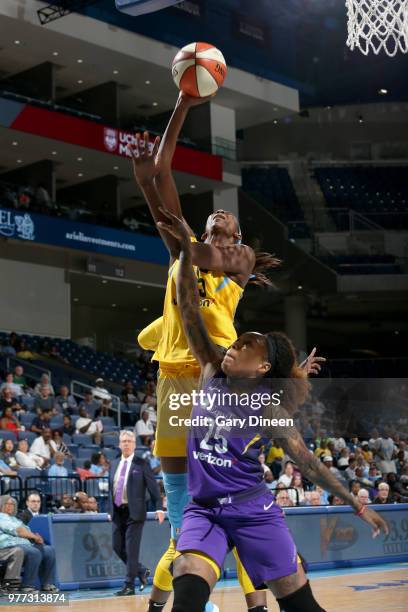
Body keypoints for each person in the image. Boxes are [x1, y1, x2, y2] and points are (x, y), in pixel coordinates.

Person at [160, 209, 388, 612]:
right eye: (232, 344)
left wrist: (359, 505)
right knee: (188, 587)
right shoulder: (211, 368)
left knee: (301, 604)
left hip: (253, 510)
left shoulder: (268, 411)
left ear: (263, 369)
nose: (231, 349)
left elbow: (312, 467)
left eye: (242, 348)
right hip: (204, 509)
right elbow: (187, 306)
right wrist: (183, 252)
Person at [132, 93, 295, 610]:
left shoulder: (238, 261)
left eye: (224, 223)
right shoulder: (184, 261)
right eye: (208, 222)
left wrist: (179, 230)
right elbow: (162, 173)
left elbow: (188, 236)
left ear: (238, 238)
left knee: (234, 502)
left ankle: (256, 601)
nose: (217, 216)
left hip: (216, 387)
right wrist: (181, 101)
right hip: (171, 382)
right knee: (186, 514)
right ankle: (186, 599)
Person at [109, 430, 165, 596]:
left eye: (129, 441)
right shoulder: (114, 463)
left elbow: (153, 488)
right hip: (118, 512)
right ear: (119, 444)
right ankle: (141, 571)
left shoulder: (142, 463)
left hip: (135, 513)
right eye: (123, 441)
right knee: (117, 546)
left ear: (134, 444)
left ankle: (129, 585)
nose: (126, 443)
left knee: (131, 549)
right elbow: (111, 488)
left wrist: (159, 508)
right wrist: (109, 510)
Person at [0, 495, 58, 592]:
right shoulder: (1, 517)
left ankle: (47, 583)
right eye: (7, 504)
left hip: (24, 544)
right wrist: (34, 537)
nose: (10, 506)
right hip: (7, 546)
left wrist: (36, 538)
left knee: (49, 550)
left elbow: (26, 531)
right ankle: (27, 585)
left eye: (12, 504)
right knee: (33, 552)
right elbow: (18, 531)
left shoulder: (15, 519)